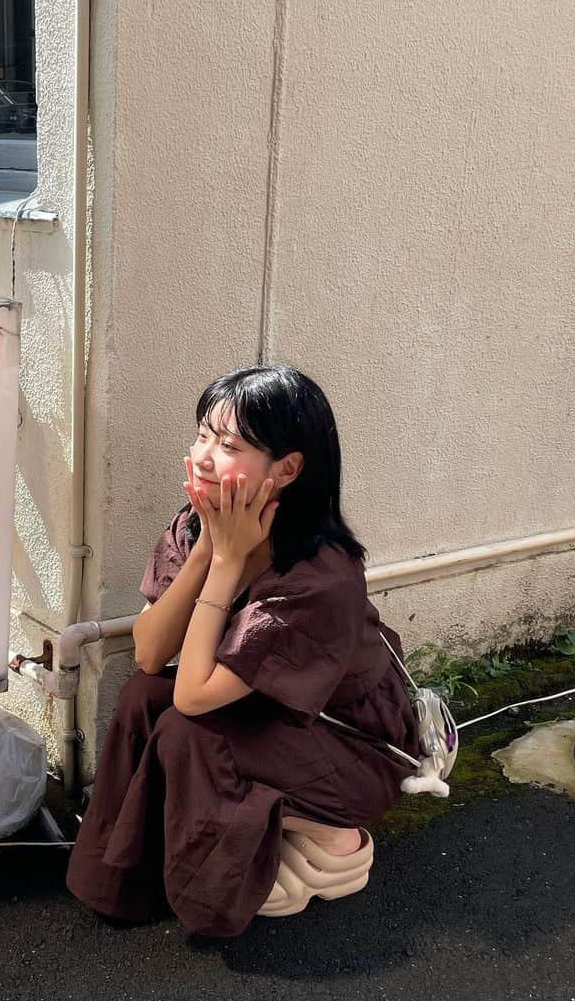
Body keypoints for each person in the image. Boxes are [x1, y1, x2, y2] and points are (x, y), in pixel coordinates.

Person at [65, 364, 420, 938]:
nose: (205, 456)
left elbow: (197, 697)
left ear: (287, 469)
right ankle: (124, 879)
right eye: (203, 434)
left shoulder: (318, 575)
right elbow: (152, 657)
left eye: (229, 444)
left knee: (187, 728)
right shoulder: (201, 525)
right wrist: (209, 549)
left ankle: (330, 835)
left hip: (353, 748)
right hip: (276, 720)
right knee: (142, 697)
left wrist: (228, 564)